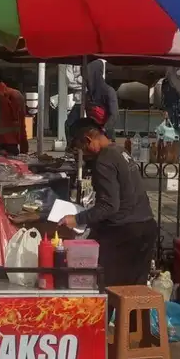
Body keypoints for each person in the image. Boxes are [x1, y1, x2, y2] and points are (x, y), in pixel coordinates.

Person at [58, 118, 157, 286]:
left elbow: (109, 206)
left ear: (88, 140)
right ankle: (135, 313)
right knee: (136, 293)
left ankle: (112, 312)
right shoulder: (120, 151)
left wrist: (76, 219)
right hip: (146, 227)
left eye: (81, 147)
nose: (83, 153)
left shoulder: (104, 160)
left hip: (126, 234)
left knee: (110, 288)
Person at [65, 60, 118, 141]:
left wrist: (103, 130)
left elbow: (114, 115)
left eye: (87, 75)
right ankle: (72, 148)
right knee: (70, 124)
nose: (85, 79)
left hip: (106, 133)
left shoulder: (109, 92)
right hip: (93, 129)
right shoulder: (88, 95)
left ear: (95, 74)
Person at [0, 65, 28, 156]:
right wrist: (24, 149)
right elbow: (22, 124)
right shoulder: (17, 95)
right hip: (11, 145)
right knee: (12, 169)